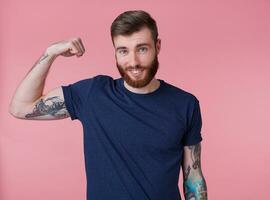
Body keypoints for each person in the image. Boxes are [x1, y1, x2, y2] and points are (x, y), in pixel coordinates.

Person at [9, 10, 207, 200]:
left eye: (142, 49)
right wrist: (50, 53)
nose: (133, 61)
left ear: (158, 46)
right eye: (123, 51)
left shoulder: (185, 104)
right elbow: (21, 107)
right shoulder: (92, 94)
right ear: (115, 52)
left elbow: (193, 176)